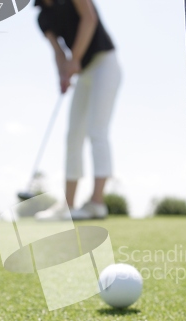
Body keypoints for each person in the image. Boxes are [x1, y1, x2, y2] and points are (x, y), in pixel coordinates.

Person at [34, 0, 121, 220]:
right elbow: (58, 51)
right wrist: (63, 74)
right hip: (84, 74)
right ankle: (68, 206)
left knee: (96, 131)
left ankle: (96, 203)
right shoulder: (42, 17)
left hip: (105, 64)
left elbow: (89, 18)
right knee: (73, 136)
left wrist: (75, 60)